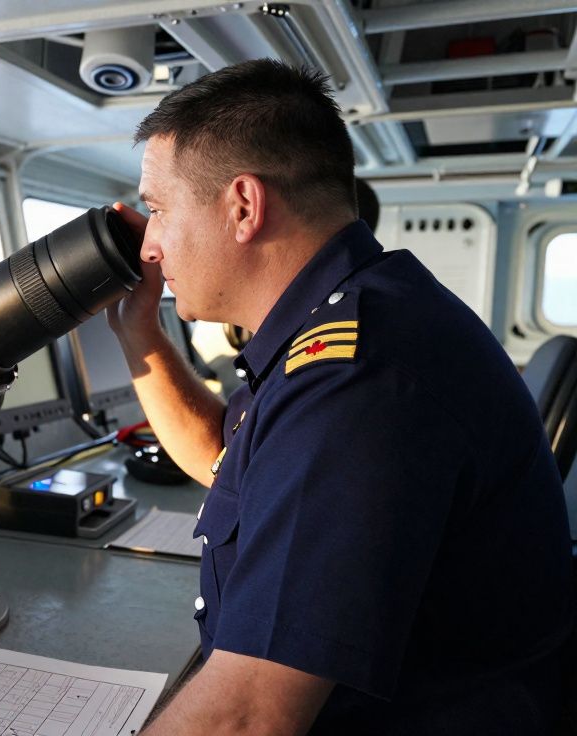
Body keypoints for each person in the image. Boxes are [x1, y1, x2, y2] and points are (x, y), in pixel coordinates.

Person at [107, 59, 573, 734]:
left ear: (243, 206)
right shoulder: (346, 323)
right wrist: (139, 335)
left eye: (158, 210)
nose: (149, 246)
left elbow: (247, 718)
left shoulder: (360, 378)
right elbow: (220, 457)